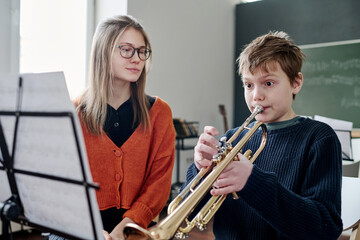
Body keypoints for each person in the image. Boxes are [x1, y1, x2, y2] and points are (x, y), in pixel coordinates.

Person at [184, 31, 343, 239]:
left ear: (296, 83)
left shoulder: (319, 138)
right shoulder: (233, 138)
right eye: (248, 85)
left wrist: (253, 182)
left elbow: (325, 228)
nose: (256, 96)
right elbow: (190, 214)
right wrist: (199, 170)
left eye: (268, 83)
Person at [49, 15, 175, 240]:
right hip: (81, 227)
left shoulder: (159, 112)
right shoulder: (74, 112)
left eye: (141, 51)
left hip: (136, 228)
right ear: (103, 53)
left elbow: (159, 185)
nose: (136, 58)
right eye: (126, 50)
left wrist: (124, 228)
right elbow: (63, 189)